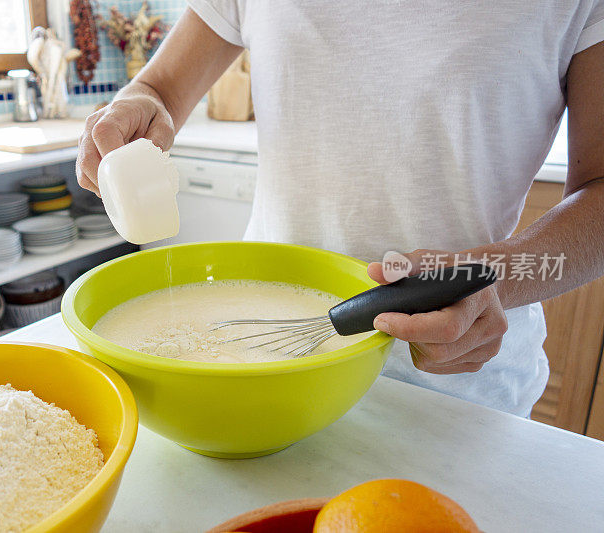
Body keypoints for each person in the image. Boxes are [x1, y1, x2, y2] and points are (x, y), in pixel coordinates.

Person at [75, 2, 604, 417]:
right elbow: (159, 88)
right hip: (258, 361)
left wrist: (494, 279)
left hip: (449, 381)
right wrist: (138, 104)